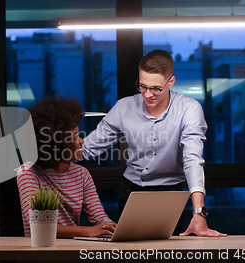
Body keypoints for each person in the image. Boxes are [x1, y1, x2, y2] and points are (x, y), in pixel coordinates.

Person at [82, 49, 226, 237]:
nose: (148, 94)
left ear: (171, 82)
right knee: (130, 256)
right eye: (142, 86)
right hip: (131, 192)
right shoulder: (124, 107)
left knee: (165, 256)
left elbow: (192, 158)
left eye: (156, 88)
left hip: (169, 194)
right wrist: (50, 153)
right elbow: (88, 148)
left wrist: (199, 211)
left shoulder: (189, 109)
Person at [16, 95, 116, 238]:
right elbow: (38, 225)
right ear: (56, 144)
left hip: (71, 251)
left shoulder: (82, 174)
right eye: (75, 137)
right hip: (41, 252)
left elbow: (99, 217)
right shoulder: (28, 173)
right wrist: (88, 231)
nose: (82, 141)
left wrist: (111, 227)